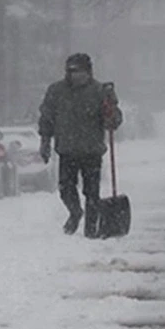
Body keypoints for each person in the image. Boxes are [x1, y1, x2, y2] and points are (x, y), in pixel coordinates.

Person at [38, 53, 123, 237]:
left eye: (80, 72)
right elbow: (47, 118)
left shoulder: (99, 91)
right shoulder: (56, 91)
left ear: (89, 72)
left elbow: (113, 122)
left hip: (91, 151)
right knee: (65, 189)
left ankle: (90, 230)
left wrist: (111, 107)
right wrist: (45, 141)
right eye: (72, 71)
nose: (76, 76)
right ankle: (75, 212)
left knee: (92, 193)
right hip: (67, 151)